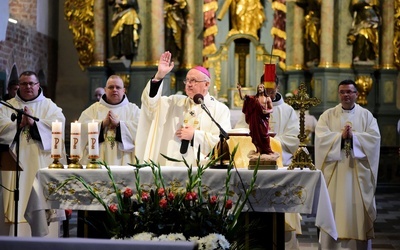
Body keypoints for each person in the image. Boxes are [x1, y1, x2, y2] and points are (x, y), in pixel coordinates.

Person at [235, 74, 301, 249]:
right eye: (265, 88)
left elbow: (294, 140)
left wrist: (272, 141)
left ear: (278, 88)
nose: (269, 92)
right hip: (254, 163)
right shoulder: (252, 104)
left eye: (272, 89)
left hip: (279, 164)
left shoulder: (287, 111)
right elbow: (241, 129)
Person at [315, 79, 381, 249]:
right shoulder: (327, 116)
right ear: (338, 94)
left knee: (357, 211)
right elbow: (321, 139)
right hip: (335, 174)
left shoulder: (366, 116)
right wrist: (340, 137)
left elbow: (374, 140)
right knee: (333, 210)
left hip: (357, 174)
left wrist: (355, 138)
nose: (346, 95)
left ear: (356, 94)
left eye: (350, 92)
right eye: (343, 92)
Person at [136, 51, 231, 166]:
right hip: (172, 165)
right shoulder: (175, 102)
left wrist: (195, 136)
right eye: (187, 80)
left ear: (206, 84)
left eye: (194, 81)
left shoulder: (220, 109)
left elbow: (223, 143)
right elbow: (150, 103)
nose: (189, 84)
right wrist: (159, 75)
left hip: (201, 168)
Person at [0, 71, 66, 236]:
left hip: (40, 167)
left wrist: (34, 124)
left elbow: (58, 126)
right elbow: (1, 127)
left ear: (38, 86)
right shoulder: (7, 106)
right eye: (23, 84)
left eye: (31, 83)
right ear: (18, 87)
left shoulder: (50, 107)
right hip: (14, 170)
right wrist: (18, 125)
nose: (28, 87)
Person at [78, 75, 140, 165]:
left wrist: (119, 125)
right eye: (111, 87)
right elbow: (80, 129)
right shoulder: (93, 110)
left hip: (125, 161)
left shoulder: (133, 110)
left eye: (118, 87)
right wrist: (101, 124)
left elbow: (141, 131)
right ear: (105, 90)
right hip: (97, 162)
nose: (114, 90)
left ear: (124, 90)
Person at [237, 83, 274, 155]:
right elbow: (243, 98)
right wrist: (239, 90)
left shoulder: (267, 98)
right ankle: (259, 150)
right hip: (255, 120)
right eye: (259, 87)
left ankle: (268, 150)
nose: (260, 89)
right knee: (255, 136)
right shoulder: (254, 99)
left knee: (264, 135)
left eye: (261, 87)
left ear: (264, 89)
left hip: (263, 119)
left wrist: (267, 111)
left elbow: (272, 109)